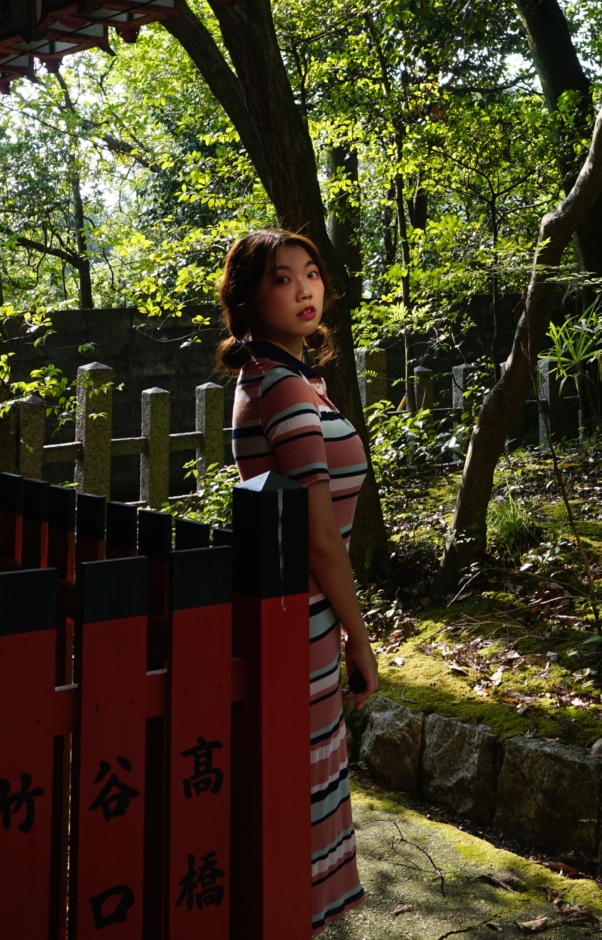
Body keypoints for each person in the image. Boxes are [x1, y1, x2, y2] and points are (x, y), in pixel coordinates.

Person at [218, 227, 378, 933]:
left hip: (299, 611)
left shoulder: (289, 377)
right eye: (283, 278)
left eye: (310, 273)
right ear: (250, 298)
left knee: (309, 777)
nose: (306, 287)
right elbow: (318, 538)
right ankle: (297, 916)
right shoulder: (282, 387)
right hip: (302, 611)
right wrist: (361, 639)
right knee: (303, 785)